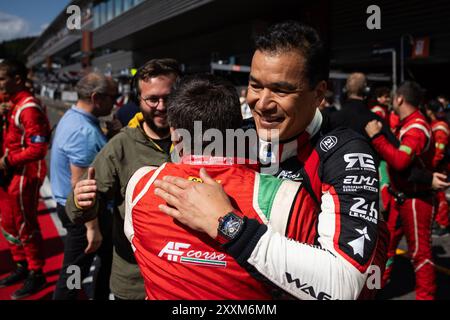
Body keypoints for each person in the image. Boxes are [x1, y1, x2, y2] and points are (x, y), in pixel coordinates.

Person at [151, 21, 389, 300]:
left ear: (319, 94)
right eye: (255, 85)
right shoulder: (234, 134)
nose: (262, 103)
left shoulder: (346, 153)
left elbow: (344, 286)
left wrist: (228, 225)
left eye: (281, 90)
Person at [65, 58, 181, 300]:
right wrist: (81, 201)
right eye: (152, 99)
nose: (161, 106)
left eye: (169, 97)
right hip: (135, 282)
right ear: (139, 100)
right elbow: (75, 210)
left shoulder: (200, 140)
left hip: (184, 280)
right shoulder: (121, 145)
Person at [365, 81, 436, 300]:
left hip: (416, 200)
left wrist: (375, 137)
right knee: (382, 249)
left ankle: (426, 297)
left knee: (420, 255)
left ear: (399, 100)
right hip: (399, 198)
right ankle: (372, 291)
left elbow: (400, 161)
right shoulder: (407, 122)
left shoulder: (416, 127)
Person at [50, 72, 118, 300]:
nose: (116, 102)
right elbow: (81, 185)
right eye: (112, 97)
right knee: (74, 272)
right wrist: (92, 228)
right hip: (85, 216)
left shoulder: (75, 117)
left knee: (107, 260)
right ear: (97, 97)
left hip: (85, 211)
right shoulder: (84, 132)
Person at [0, 59, 50, 299]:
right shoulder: (10, 102)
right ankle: (21, 266)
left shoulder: (28, 107)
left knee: (24, 224)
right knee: (8, 223)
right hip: (8, 174)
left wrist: (8, 161)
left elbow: (39, 149)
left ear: (16, 79)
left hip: (24, 173)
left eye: (1, 79)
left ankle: (36, 272)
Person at [424, 100, 450, 237]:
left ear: (430, 111)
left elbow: (439, 151)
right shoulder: (435, 124)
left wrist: (431, 166)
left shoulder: (440, 127)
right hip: (437, 166)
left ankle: (443, 225)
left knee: (440, 195)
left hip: (440, 166)